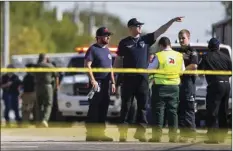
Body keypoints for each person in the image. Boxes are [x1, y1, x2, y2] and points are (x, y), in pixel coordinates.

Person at [114, 16, 184, 142]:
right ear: (131, 28)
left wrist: (172, 21)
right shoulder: (123, 43)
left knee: (143, 107)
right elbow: (118, 61)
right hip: (128, 79)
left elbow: (161, 30)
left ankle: (140, 133)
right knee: (126, 106)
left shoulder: (146, 39)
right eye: (137, 25)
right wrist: (114, 77)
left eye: (141, 25)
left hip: (142, 80)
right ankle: (123, 133)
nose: (140, 27)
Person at [148, 37, 184, 142]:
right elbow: (182, 71)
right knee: (173, 112)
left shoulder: (159, 56)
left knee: (159, 111)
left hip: (160, 87)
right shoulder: (179, 56)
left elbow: (150, 69)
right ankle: (173, 137)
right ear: (170, 44)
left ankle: (157, 137)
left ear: (160, 45)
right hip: (174, 87)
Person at [84, 27, 116, 142]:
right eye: (106, 35)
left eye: (109, 35)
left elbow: (110, 67)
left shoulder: (107, 50)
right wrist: (92, 80)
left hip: (106, 84)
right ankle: (91, 134)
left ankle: (101, 133)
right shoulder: (93, 49)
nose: (108, 37)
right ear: (98, 37)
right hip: (97, 83)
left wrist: (113, 82)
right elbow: (87, 65)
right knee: (94, 109)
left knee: (103, 108)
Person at [199, 38, 232, 144]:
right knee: (224, 111)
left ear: (209, 46)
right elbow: (230, 72)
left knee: (212, 111)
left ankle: (213, 137)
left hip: (215, 85)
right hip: (227, 85)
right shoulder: (226, 57)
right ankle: (222, 136)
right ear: (218, 46)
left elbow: (200, 71)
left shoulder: (206, 57)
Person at [177, 29, 198, 142]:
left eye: (183, 38)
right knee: (181, 109)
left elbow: (194, 65)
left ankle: (191, 135)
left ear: (188, 38)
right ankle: (183, 134)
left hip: (189, 84)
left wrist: (182, 70)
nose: (181, 40)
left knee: (189, 109)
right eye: (179, 38)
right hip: (179, 83)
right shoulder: (177, 52)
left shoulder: (192, 51)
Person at [34, 53, 56, 127]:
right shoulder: (50, 66)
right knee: (48, 104)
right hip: (47, 86)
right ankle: (44, 120)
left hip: (38, 87)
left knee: (38, 105)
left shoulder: (36, 66)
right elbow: (56, 75)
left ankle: (38, 121)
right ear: (46, 58)